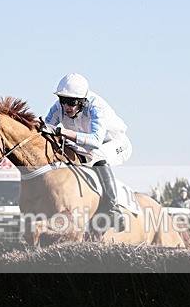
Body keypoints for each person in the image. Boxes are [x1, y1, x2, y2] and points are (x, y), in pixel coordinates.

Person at [43, 73, 131, 230]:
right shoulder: (58, 108)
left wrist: (61, 131)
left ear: (82, 101)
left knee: (97, 155)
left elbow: (95, 141)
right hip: (85, 146)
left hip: (115, 143)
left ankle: (113, 208)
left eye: (71, 102)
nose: (66, 106)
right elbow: (45, 128)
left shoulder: (97, 107)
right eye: (63, 100)